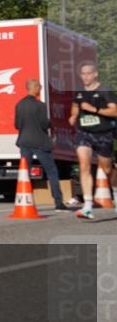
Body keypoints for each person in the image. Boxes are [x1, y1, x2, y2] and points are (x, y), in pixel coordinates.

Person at [68, 60, 117, 220]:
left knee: (108, 169)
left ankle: (115, 193)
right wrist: (73, 115)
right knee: (84, 165)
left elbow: (115, 111)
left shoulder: (105, 91)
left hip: (103, 134)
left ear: (95, 74)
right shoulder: (79, 92)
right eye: (83, 74)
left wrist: (94, 109)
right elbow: (75, 106)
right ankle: (88, 206)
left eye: (89, 73)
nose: (86, 76)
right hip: (84, 133)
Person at [14, 79, 66, 211]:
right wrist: (50, 123)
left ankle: (23, 201)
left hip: (24, 142)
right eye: (40, 87)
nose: (41, 89)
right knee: (51, 171)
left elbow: (17, 125)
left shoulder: (19, 104)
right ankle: (58, 202)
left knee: (24, 173)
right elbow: (44, 124)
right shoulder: (40, 106)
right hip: (40, 142)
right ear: (35, 88)